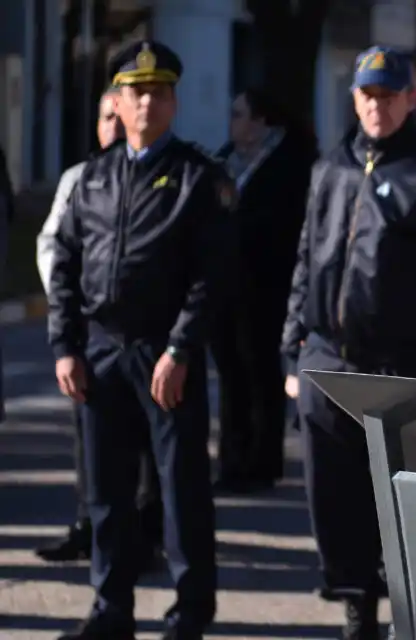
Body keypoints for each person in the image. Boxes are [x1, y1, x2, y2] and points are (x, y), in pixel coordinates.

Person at [281, 46, 416, 639]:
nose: (377, 106)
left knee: (398, 501)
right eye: (368, 95)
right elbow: (306, 256)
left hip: (401, 367)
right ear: (355, 99)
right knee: (333, 494)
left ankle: (412, 610)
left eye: (389, 95)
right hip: (326, 359)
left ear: (411, 98)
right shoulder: (333, 167)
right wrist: (293, 343)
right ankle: (356, 607)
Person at [47, 40, 231, 640]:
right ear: (117, 102)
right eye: (135, 92)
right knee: (106, 494)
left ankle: (188, 615)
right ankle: (111, 609)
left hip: (164, 354)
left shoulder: (195, 176)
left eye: (157, 91)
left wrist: (180, 349)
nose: (146, 101)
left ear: (173, 101)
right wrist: (65, 346)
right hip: (101, 353)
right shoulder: (92, 178)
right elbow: (67, 267)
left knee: (181, 494)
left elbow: (211, 276)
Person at [34, 86, 165, 565]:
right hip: (89, 332)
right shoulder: (81, 179)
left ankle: (147, 534)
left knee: (148, 444)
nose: (113, 125)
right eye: (105, 118)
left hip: (141, 333)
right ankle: (90, 527)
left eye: (119, 115)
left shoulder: (163, 174)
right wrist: (67, 307)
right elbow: (54, 247)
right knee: (89, 438)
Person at [209, 88, 317, 493]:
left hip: (267, 285)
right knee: (231, 374)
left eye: (240, 115)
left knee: (260, 375)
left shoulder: (289, 164)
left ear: (261, 122)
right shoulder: (225, 160)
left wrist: (238, 214)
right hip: (227, 285)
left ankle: (261, 460)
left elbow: (284, 228)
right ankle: (232, 461)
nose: (233, 123)